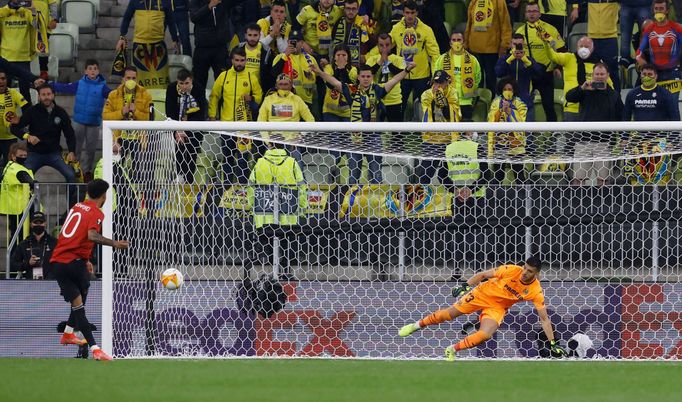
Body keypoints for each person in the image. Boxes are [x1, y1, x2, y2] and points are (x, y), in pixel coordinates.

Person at [399, 256, 567, 360]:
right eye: (524, 267)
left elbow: (544, 319)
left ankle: (452, 349)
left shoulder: (536, 291)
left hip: (497, 308)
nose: (524, 272)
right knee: (448, 315)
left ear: (536, 274)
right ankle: (416, 326)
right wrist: (465, 285)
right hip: (481, 294)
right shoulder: (510, 270)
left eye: (529, 271)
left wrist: (552, 343)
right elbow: (482, 275)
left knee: (485, 334)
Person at [50, 179, 129, 361]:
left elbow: (73, 234)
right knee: (80, 306)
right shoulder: (97, 213)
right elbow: (91, 235)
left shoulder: (77, 206)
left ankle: (69, 333)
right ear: (104, 196)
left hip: (59, 262)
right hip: (72, 263)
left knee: (82, 294)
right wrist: (114, 243)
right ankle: (95, 349)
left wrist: (86, 259)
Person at [312, 61, 414, 184]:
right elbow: (333, 81)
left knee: (376, 175)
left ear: (372, 77)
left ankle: (377, 201)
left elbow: (393, 81)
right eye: (363, 76)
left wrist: (406, 70)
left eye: (368, 76)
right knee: (353, 176)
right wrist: (318, 72)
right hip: (355, 137)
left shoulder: (377, 90)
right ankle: (351, 202)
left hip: (373, 137)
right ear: (358, 77)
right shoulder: (351, 90)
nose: (366, 79)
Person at [246, 142, 307, 281]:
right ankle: (285, 272)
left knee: (268, 242)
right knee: (286, 243)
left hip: (264, 213)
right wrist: (302, 207)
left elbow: (250, 185)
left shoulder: (260, 162)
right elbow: (301, 185)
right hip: (287, 213)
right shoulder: (292, 162)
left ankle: (273, 273)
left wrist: (252, 206)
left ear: (269, 146)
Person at [10, 84, 79, 206]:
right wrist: (28, 136)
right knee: (23, 178)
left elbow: (70, 134)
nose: (46, 97)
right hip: (33, 153)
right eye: (43, 95)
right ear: (39, 96)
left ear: (53, 95)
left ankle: (71, 210)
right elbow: (15, 128)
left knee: (71, 175)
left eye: (48, 94)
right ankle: (26, 210)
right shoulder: (32, 111)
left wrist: (72, 151)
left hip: (54, 154)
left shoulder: (61, 112)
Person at [209, 47, 263, 185]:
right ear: (232, 60)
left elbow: (259, 97)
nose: (239, 63)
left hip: (244, 124)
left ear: (246, 61)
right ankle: (227, 186)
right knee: (228, 157)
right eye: (237, 60)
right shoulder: (224, 76)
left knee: (243, 158)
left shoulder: (251, 77)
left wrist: (251, 98)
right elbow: (214, 97)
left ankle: (243, 187)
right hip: (226, 124)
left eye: (242, 60)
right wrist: (212, 116)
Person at [52, 59, 112, 183]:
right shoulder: (79, 84)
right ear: (85, 71)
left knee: (90, 150)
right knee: (76, 147)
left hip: (94, 123)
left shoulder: (103, 87)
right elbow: (63, 87)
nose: (92, 71)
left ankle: (87, 172)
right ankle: (74, 169)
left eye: (95, 68)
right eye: (90, 68)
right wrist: (50, 84)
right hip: (78, 121)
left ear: (98, 71)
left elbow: (114, 95)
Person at [565, 63, 623, 186]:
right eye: (597, 74)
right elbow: (569, 97)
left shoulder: (614, 95)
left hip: (604, 142)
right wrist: (582, 88)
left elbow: (621, 118)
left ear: (607, 76)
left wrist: (623, 137)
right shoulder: (585, 91)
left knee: (603, 180)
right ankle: (578, 204)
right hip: (583, 141)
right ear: (593, 75)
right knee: (578, 179)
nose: (599, 76)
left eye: (602, 74)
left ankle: (604, 205)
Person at [516, 3, 565, 123]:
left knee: (549, 107)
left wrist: (558, 67)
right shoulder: (520, 31)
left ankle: (552, 137)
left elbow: (561, 50)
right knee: (524, 107)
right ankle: (527, 137)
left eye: (534, 11)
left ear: (540, 13)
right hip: (528, 74)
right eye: (529, 11)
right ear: (525, 14)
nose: (532, 13)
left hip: (546, 73)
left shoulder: (550, 29)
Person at [545, 36, 611, 122]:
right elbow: (553, 56)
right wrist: (546, 44)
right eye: (581, 46)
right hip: (571, 108)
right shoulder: (568, 58)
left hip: (591, 109)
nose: (584, 49)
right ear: (577, 47)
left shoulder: (599, 65)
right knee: (571, 135)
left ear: (593, 48)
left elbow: (609, 85)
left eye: (587, 47)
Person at [389, 1, 440, 110]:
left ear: (417, 13)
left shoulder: (426, 30)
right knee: (399, 108)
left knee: (425, 108)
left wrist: (435, 76)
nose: (410, 16)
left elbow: (435, 54)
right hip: (402, 74)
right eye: (407, 13)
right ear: (403, 13)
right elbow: (385, 46)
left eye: (412, 13)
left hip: (421, 76)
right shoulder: (396, 29)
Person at [118, 0, 179, 89]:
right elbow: (126, 18)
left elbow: (171, 21)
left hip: (158, 46)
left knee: (161, 80)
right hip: (139, 46)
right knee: (138, 81)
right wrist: (122, 37)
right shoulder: (135, 1)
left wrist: (175, 40)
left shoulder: (165, 1)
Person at [257, 73, 316, 164]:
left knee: (298, 175)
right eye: (280, 84)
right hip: (273, 143)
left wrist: (299, 137)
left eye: (286, 84)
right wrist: (268, 142)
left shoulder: (297, 100)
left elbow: (311, 120)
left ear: (291, 85)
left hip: (292, 144)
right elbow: (261, 122)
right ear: (276, 86)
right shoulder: (268, 99)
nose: (283, 87)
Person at [415, 70, 460, 184]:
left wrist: (444, 102)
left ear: (447, 82)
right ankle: (421, 199)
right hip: (431, 140)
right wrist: (435, 99)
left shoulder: (453, 93)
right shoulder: (426, 94)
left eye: (441, 82)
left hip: (449, 140)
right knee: (425, 175)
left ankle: (453, 197)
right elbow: (426, 114)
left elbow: (455, 115)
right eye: (435, 83)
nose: (438, 85)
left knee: (444, 175)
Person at [165, 68, 208, 184]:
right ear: (177, 82)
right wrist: (178, 129)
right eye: (181, 83)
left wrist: (186, 128)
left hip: (194, 126)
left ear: (191, 81)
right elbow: (169, 111)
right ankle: (179, 175)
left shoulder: (199, 89)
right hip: (176, 125)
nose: (184, 87)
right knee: (179, 148)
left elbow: (201, 114)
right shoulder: (171, 89)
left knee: (191, 152)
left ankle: (189, 179)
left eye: (187, 83)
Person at [570, 0, 620, 91]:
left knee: (612, 70)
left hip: (609, 37)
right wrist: (575, 7)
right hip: (592, 38)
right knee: (587, 69)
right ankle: (586, 95)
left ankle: (616, 99)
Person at [464, 0, 512, 94]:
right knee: (476, 80)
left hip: (492, 49)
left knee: (491, 80)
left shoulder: (499, 2)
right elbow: (469, 24)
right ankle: (478, 104)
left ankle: (492, 104)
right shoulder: (474, 2)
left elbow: (505, 24)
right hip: (474, 48)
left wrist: (504, 44)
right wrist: (466, 43)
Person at [495, 33, 544, 122]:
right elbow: (498, 73)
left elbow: (539, 74)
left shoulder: (529, 59)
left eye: (519, 45)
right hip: (507, 102)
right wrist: (509, 60)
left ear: (524, 45)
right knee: (508, 134)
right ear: (510, 44)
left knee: (527, 133)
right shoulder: (504, 59)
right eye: (514, 44)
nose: (517, 47)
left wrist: (527, 62)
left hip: (525, 102)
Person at [190, 0, 237, 90]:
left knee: (222, 80)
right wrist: (209, 6)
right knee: (199, 80)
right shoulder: (196, 1)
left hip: (220, 46)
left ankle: (221, 103)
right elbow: (194, 17)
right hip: (202, 47)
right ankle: (200, 103)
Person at [488, 77, 527, 184]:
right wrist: (500, 111)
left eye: (510, 89)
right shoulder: (496, 102)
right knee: (498, 176)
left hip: (516, 144)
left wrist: (511, 112)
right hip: (500, 143)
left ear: (514, 91)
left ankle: (524, 199)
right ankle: (494, 198)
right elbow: (491, 119)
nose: (507, 92)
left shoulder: (520, 104)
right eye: (505, 89)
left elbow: (522, 122)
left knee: (519, 176)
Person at [435, 30, 481, 121]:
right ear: (450, 43)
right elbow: (436, 78)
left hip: (466, 101)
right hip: (448, 100)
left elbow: (477, 78)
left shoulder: (472, 60)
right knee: (450, 131)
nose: (456, 42)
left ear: (463, 42)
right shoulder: (441, 59)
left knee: (466, 131)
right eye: (454, 40)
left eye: (459, 40)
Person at [0, 0, 40, 102]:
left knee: (25, 94)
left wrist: (34, 12)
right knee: (3, 93)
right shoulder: (2, 12)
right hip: (5, 58)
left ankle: (28, 118)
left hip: (23, 58)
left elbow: (37, 27)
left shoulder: (27, 12)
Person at [635, 0, 682, 82]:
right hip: (655, 72)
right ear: (653, 10)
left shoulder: (677, 28)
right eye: (656, 8)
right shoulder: (649, 29)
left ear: (667, 10)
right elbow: (640, 50)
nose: (658, 11)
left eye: (661, 8)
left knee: (671, 95)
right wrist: (640, 59)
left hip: (673, 71)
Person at [271, 30, 319, 110]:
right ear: (288, 42)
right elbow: (273, 74)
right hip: (285, 101)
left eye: (298, 41)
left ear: (302, 43)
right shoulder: (280, 57)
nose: (295, 43)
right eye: (292, 41)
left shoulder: (311, 59)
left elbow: (319, 79)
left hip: (306, 101)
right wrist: (285, 55)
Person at [365, 34, 406, 123]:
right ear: (377, 46)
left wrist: (387, 62)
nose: (384, 48)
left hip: (394, 101)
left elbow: (400, 74)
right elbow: (367, 74)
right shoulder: (372, 59)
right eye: (381, 45)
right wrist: (380, 62)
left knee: (397, 133)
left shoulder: (399, 59)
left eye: (387, 45)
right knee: (375, 132)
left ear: (391, 45)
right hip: (376, 101)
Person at [0, 141, 34, 246]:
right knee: (19, 238)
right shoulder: (18, 169)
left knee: (16, 236)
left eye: (25, 155)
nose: (23, 157)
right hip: (20, 207)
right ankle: (15, 260)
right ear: (13, 156)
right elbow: (30, 182)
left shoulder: (9, 166)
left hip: (15, 207)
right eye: (21, 155)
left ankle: (13, 259)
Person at [10, 211, 57, 279]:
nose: (38, 225)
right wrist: (28, 263)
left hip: (50, 283)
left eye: (41, 223)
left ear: (45, 224)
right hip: (30, 284)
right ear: (31, 224)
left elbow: (62, 262)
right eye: (35, 223)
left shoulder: (54, 242)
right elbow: (13, 264)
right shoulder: (24, 244)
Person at [0, 69, 29, 169]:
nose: (1, 81)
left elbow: (27, 109)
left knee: (9, 168)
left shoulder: (13, 93)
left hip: (10, 138)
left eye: (3, 78)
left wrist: (20, 120)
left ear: (7, 80)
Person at [331, 0, 370, 66]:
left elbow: (372, 43)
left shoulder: (364, 24)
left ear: (358, 9)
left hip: (357, 64)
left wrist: (366, 56)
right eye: (348, 8)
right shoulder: (338, 22)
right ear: (344, 9)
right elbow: (332, 39)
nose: (351, 12)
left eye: (353, 9)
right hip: (339, 62)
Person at [242, 23, 274, 95]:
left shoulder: (266, 52)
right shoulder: (238, 49)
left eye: (255, 35)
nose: (252, 38)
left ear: (260, 35)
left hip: (259, 90)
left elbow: (270, 73)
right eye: (250, 35)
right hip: (240, 87)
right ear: (245, 36)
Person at [620, 0, 651, 66]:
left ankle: (625, 60)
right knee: (646, 34)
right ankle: (645, 60)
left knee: (625, 35)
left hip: (629, 4)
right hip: (643, 4)